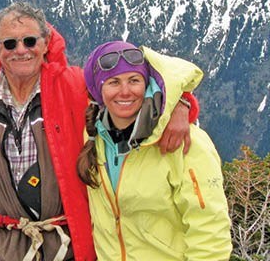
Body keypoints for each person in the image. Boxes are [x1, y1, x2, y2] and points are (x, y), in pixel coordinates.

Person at [0, 2, 197, 260]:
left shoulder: (75, 86)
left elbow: (129, 91)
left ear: (46, 43)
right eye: (9, 43)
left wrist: (182, 104)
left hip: (67, 247)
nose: (20, 50)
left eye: (30, 41)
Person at [76, 41, 232, 260]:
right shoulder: (94, 137)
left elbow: (210, 230)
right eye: (113, 82)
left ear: (147, 85)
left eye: (134, 80)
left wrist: (182, 102)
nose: (125, 91)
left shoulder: (186, 143)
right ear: (98, 90)